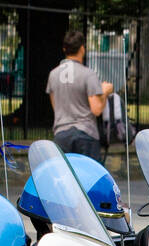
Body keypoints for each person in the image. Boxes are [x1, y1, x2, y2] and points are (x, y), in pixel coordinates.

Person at [46, 29, 113, 162]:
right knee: (89, 179)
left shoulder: (53, 75)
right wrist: (105, 91)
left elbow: (55, 106)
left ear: (64, 49)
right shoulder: (88, 74)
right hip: (85, 134)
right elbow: (97, 109)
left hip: (61, 134)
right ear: (82, 49)